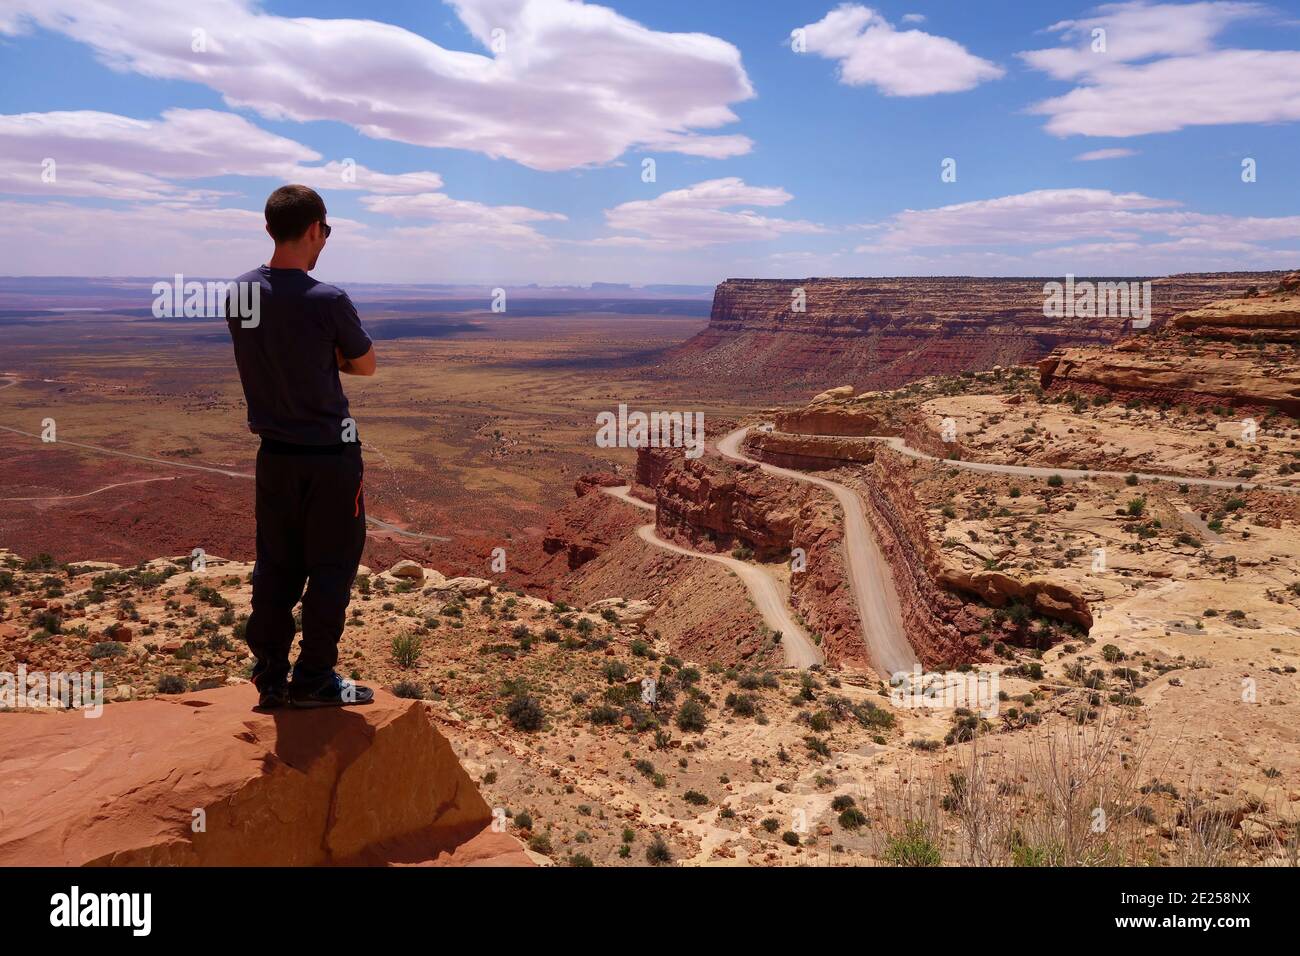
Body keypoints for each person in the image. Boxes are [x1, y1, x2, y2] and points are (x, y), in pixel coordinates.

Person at [225, 184, 377, 709]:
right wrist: (324, 355)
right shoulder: (329, 300)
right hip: (331, 459)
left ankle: (269, 675)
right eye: (326, 231)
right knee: (331, 568)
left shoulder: (241, 292)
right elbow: (365, 364)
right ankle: (313, 678)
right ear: (314, 229)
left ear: (269, 229)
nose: (325, 241)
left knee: (277, 565)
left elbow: (265, 351)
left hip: (275, 457)